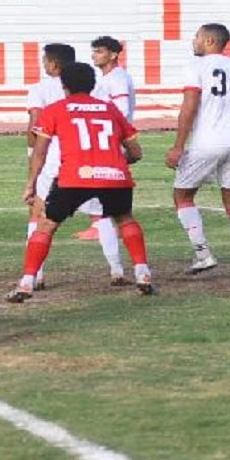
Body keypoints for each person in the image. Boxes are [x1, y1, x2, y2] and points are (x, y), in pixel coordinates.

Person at [8, 62, 154, 302]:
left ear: (64, 86)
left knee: (46, 226)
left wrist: (31, 183)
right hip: (114, 175)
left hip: (75, 175)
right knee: (125, 220)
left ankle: (27, 282)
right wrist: (115, 162)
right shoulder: (110, 109)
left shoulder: (55, 109)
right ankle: (142, 273)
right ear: (93, 85)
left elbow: (40, 152)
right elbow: (136, 153)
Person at [165, 23, 230, 282]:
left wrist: (178, 145)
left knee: (182, 195)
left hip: (208, 141)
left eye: (197, 37)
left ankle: (203, 253)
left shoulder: (196, 67)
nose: (193, 41)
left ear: (209, 41)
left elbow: (189, 108)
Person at [74, 36, 137, 286]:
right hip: (109, 144)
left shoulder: (118, 79)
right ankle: (119, 260)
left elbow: (119, 111)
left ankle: (119, 262)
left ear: (113, 54)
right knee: (105, 201)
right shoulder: (109, 79)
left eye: (99, 51)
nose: (94, 56)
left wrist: (113, 140)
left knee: (106, 201)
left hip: (111, 145)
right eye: (94, 52)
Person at [24, 43, 76, 291]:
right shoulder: (86, 85)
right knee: (108, 214)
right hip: (81, 155)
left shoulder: (40, 89)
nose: (43, 64)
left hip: (51, 155)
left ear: (54, 64)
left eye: (45, 60)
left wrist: (31, 156)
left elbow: (35, 125)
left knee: (38, 212)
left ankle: (35, 275)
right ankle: (118, 270)